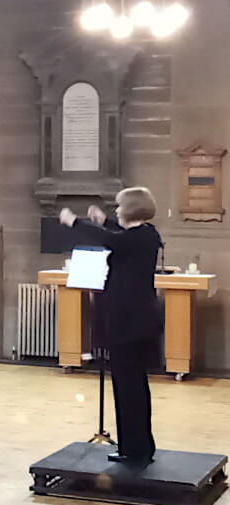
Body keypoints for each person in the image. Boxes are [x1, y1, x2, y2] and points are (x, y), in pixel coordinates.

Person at [59, 187, 163, 465]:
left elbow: (110, 240)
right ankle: (138, 445)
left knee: (128, 388)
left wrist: (75, 222)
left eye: (119, 207)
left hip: (129, 324)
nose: (116, 211)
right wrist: (103, 220)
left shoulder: (137, 239)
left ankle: (135, 448)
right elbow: (117, 235)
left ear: (131, 209)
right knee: (132, 386)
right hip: (134, 323)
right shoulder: (146, 235)